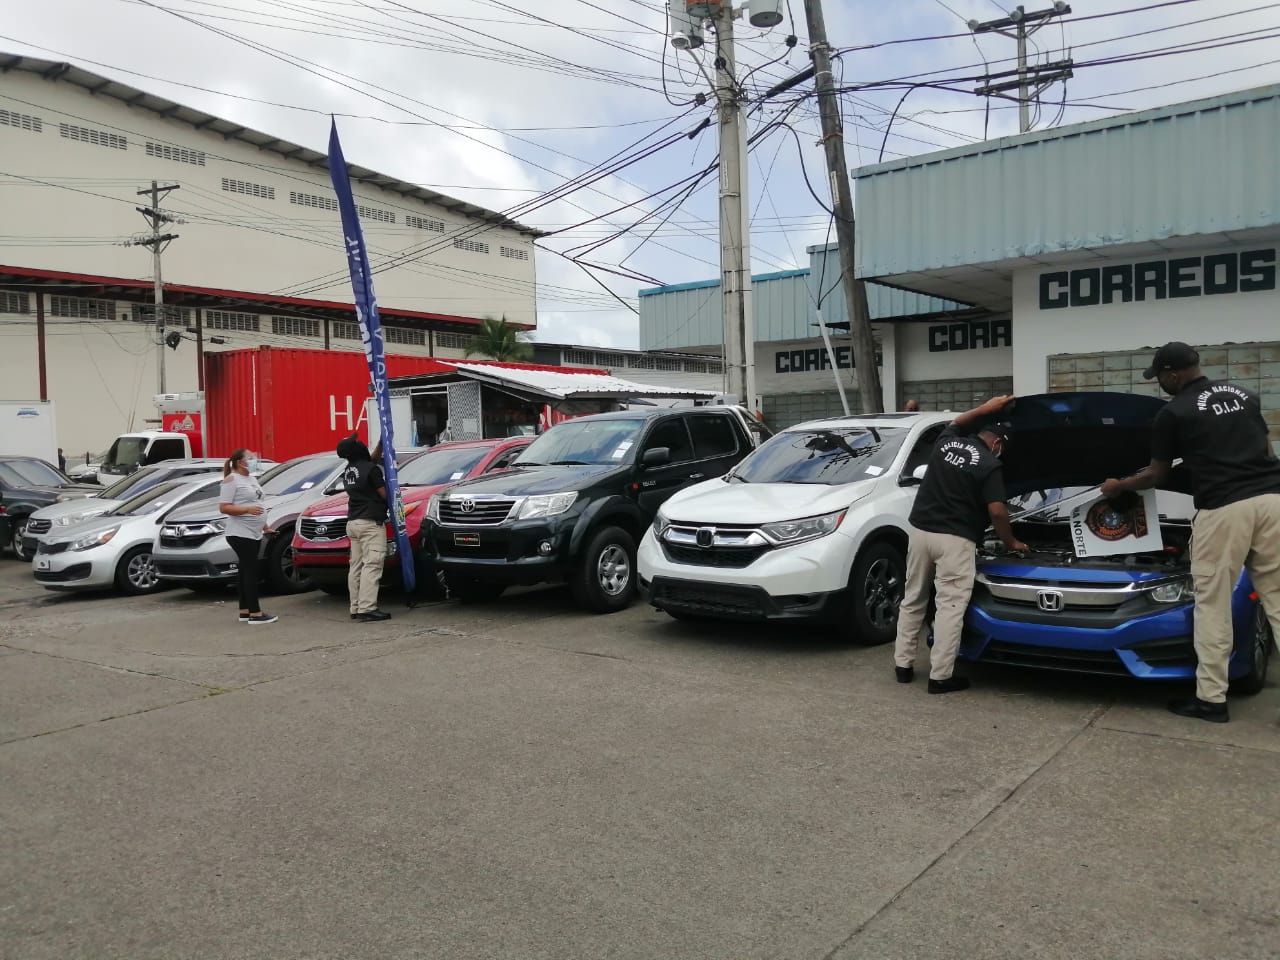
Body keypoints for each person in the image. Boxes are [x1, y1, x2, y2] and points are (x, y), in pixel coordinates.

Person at [1101, 342, 1280, 723]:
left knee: (1212, 604)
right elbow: (1265, 448)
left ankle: (1211, 700)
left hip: (1225, 507)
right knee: (1279, 602)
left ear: (1173, 373)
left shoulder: (1174, 412)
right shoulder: (1245, 395)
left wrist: (1118, 486)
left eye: (1160, 377)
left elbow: (1156, 474)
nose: (1160, 384)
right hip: (1272, 500)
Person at [893, 395, 1029, 693]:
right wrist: (1012, 542)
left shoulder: (946, 441)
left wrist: (987, 407)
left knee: (913, 596)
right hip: (954, 539)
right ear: (997, 444)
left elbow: (957, 422)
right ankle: (940, 677)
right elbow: (997, 511)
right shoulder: (990, 464)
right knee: (950, 605)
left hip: (920, 531)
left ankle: (903, 666)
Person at [218, 448, 277, 625]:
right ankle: (255, 613)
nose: (254, 460)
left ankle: (244, 610)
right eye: (250, 458)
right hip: (240, 533)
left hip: (254, 532)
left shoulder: (251, 478)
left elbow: (256, 502)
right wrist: (247, 510)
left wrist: (264, 526)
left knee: (245, 570)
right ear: (239, 462)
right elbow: (224, 507)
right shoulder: (231, 480)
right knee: (251, 571)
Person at [338, 434, 392, 623]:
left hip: (353, 522)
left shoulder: (349, 469)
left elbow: (372, 458)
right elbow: (385, 495)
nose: (362, 444)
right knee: (373, 564)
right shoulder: (371, 470)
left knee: (356, 566)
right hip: (370, 524)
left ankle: (356, 607)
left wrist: (381, 444)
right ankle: (368, 608)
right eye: (359, 443)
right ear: (357, 450)